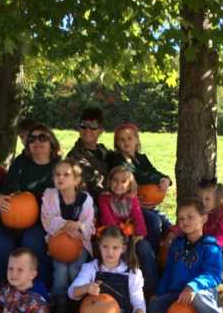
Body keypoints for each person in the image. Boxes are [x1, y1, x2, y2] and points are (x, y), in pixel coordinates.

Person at [0, 123, 60, 292]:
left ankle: (38, 294)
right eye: (32, 139)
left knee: (32, 243)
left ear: (51, 142)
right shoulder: (21, 163)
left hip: (42, 222)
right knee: (1, 244)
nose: (37, 142)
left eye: (42, 137)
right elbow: (7, 190)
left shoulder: (58, 167)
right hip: (13, 218)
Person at [41, 159, 95, 313]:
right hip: (57, 244)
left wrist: (78, 228)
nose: (61, 178)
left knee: (74, 270)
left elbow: (89, 226)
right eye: (57, 174)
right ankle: (61, 308)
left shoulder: (85, 200)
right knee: (60, 272)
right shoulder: (49, 196)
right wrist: (68, 224)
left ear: (76, 180)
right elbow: (48, 220)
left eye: (66, 175)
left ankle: (77, 308)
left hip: (79, 243)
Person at [108, 122, 172, 251]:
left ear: (137, 140)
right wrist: (157, 178)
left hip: (145, 204)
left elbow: (153, 171)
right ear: (117, 144)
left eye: (130, 138)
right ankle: (151, 253)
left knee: (168, 224)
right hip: (128, 205)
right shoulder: (117, 160)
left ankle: (165, 254)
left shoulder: (141, 158)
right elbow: (139, 175)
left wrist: (166, 179)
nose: (126, 142)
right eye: (122, 139)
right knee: (154, 221)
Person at [98, 166, 157, 300]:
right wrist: (124, 240)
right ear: (109, 181)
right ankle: (120, 292)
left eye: (123, 181)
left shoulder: (132, 199)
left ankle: (151, 290)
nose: (119, 184)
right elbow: (109, 223)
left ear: (130, 185)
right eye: (115, 180)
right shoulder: (104, 198)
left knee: (144, 248)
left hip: (131, 237)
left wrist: (138, 235)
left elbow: (139, 220)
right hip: (112, 238)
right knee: (119, 253)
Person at [66, 107, 111, 203]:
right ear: (79, 128)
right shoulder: (73, 158)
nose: (87, 130)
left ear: (101, 130)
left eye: (93, 126)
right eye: (83, 125)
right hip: (89, 206)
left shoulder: (104, 152)